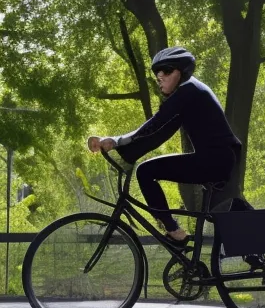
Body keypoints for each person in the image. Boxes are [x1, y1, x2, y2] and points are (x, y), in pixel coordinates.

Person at [87, 46, 243, 244]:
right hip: (219, 159)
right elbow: (160, 134)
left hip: (217, 160)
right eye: (156, 72)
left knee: (146, 172)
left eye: (166, 71)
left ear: (182, 72)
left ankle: (174, 231)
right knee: (220, 217)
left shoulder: (188, 92)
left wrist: (116, 141)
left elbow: (155, 124)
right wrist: (127, 152)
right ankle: (181, 239)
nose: (159, 76)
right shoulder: (190, 93)